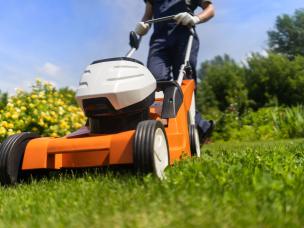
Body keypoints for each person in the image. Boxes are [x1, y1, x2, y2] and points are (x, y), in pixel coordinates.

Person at [135, 0, 215, 143]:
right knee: (156, 82)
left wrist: (195, 18)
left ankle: (194, 128)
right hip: (159, 40)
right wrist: (143, 26)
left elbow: (210, 9)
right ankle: (167, 129)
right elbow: (148, 15)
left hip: (184, 33)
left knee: (184, 84)